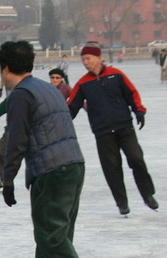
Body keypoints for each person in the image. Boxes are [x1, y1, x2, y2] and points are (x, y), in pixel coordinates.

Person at [0, 40, 103, 258]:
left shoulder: (21, 95)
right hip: (73, 164)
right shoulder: (47, 87)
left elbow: (16, 140)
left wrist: (8, 179)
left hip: (52, 170)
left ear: (5, 68)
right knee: (53, 234)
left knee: (51, 236)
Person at [67, 44, 158, 215]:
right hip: (102, 132)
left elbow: (131, 93)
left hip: (124, 126)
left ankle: (148, 194)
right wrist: (60, 121)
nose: (86, 63)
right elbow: (71, 107)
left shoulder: (116, 74)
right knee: (112, 168)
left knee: (136, 159)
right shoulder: (83, 83)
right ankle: (121, 203)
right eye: (83, 60)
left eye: (88, 59)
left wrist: (139, 111)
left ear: (99, 58)